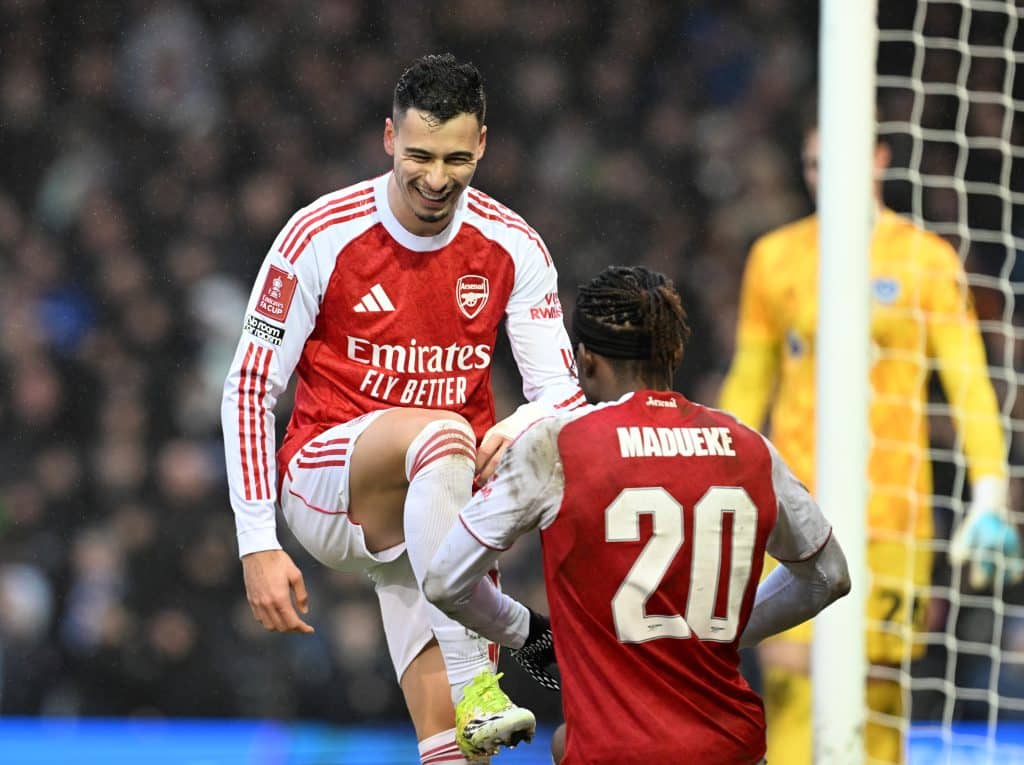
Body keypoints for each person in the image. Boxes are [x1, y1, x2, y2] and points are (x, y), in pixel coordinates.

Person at [221, 53, 584, 763]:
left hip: (441, 517)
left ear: (482, 145)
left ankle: (512, 644)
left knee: (458, 751)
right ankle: (493, 664)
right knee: (445, 432)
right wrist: (256, 541)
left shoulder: (512, 245)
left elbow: (564, 397)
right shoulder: (318, 235)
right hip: (331, 485)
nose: (436, 178)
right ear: (389, 138)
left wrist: (517, 424)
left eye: (455, 158)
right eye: (419, 155)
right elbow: (249, 387)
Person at [422, 265, 851, 764]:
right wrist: (723, 630)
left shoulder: (558, 446)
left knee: (564, 744)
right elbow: (829, 576)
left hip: (615, 752)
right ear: (673, 352)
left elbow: (444, 582)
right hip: (733, 747)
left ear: (585, 360)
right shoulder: (749, 446)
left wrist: (528, 632)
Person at [718, 108, 1023, 764]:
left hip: (893, 512)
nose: (825, 176)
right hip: (794, 508)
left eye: (840, 161)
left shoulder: (925, 259)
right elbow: (749, 381)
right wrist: (714, 479)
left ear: (879, 159)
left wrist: (990, 494)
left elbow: (969, 384)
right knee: (791, 680)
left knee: (877, 690)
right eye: (813, 164)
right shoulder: (775, 257)